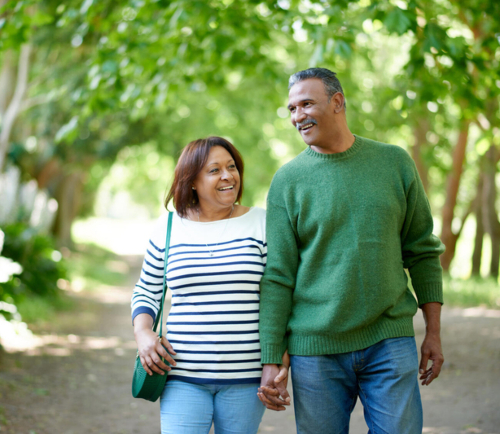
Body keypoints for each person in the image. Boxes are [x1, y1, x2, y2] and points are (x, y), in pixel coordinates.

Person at [257, 68, 445, 433]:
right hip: (316, 350)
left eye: (306, 104)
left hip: (389, 338)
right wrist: (270, 357)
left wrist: (433, 333)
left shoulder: (394, 163)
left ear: (337, 102)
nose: (297, 116)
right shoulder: (288, 181)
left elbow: (422, 250)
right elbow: (278, 275)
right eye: (292, 109)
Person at [131, 136, 277, 434]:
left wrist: (278, 358)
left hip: (246, 378)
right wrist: (143, 332)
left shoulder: (262, 223)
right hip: (182, 373)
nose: (227, 176)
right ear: (193, 180)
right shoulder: (168, 227)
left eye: (232, 167)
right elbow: (147, 289)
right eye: (214, 170)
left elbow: (279, 294)